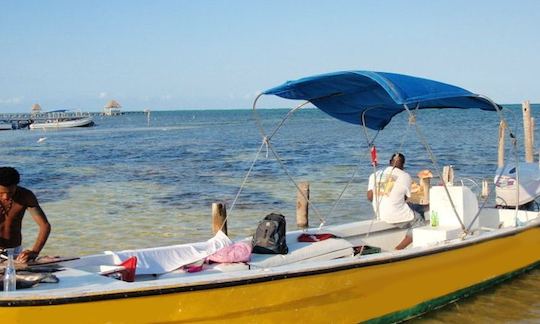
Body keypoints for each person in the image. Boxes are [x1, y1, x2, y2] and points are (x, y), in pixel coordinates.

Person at [366, 153, 424, 250]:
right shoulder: (405, 176)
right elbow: (405, 199)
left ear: (389, 162)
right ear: (403, 165)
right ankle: (399, 248)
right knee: (419, 221)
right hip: (394, 214)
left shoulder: (375, 174)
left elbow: (369, 197)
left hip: (379, 213)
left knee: (416, 207)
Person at [0, 167, 51, 263]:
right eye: (1, 193)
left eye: (10, 192)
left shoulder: (26, 196)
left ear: (16, 185)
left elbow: (45, 226)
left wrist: (35, 252)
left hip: (16, 252)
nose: (5, 197)